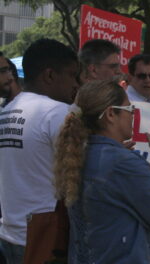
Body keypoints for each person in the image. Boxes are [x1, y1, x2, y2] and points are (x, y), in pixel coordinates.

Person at [53, 80, 150, 262]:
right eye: (129, 110)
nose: (133, 115)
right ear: (111, 114)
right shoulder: (121, 162)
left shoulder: (81, 154)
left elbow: (133, 196)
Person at [0, 38, 79, 264]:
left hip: (11, 235)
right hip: (45, 241)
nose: (76, 83)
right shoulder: (58, 112)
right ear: (50, 75)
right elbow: (87, 167)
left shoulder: (7, 111)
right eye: (72, 75)